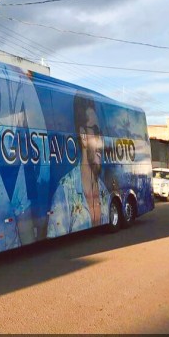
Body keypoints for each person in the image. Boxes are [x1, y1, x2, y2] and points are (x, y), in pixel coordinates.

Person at [48, 93, 110, 237]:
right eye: (95, 131)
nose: (100, 141)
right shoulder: (64, 193)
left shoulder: (104, 192)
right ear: (83, 136)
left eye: (100, 133)